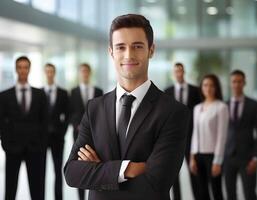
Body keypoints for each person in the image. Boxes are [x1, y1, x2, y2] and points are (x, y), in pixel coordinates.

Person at [64, 14, 190, 200]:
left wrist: (100, 172)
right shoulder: (94, 108)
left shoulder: (173, 112)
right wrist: (129, 169)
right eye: (120, 47)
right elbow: (72, 172)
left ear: (151, 50)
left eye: (137, 46)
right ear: (111, 52)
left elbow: (158, 183)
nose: (128, 55)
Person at [0, 56, 47, 200]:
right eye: (19, 67)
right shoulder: (4, 95)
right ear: (16, 69)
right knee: (10, 189)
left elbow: (44, 121)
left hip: (35, 148)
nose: (22, 70)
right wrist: (6, 143)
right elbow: (1, 122)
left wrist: (42, 144)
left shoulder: (40, 94)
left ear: (29, 69)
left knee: (37, 190)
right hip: (13, 147)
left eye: (25, 67)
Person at [224, 70, 257, 200]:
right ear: (230, 84)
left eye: (239, 81)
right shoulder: (224, 105)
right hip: (228, 157)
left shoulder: (254, 105)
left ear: (244, 83)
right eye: (234, 82)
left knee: (250, 194)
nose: (236, 84)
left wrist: (256, 157)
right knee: (230, 194)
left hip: (248, 157)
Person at [165, 62, 201, 200]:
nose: (178, 73)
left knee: (194, 172)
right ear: (173, 74)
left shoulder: (195, 90)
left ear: (184, 72)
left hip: (192, 137)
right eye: (176, 71)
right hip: (174, 139)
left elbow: (199, 115)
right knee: (174, 173)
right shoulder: (167, 91)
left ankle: (198, 196)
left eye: (180, 70)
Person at [190, 74, 229, 200]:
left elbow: (221, 137)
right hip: (198, 155)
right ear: (201, 88)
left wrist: (217, 161)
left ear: (216, 87)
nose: (208, 88)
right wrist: (192, 157)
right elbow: (195, 133)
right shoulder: (197, 108)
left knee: (216, 192)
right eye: (205, 85)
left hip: (213, 156)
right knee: (202, 192)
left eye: (212, 85)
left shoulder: (221, 107)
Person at [69, 63, 103, 200]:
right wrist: (76, 124)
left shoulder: (98, 91)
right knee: (79, 164)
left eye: (86, 71)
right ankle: (80, 197)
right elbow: (70, 112)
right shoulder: (73, 92)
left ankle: (93, 193)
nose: (84, 73)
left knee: (93, 162)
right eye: (82, 71)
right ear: (79, 73)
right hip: (78, 133)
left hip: (95, 134)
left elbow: (101, 113)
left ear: (89, 73)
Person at [43, 63, 69, 200]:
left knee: (58, 171)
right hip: (41, 139)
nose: (49, 74)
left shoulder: (63, 93)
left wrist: (63, 131)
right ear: (44, 73)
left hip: (58, 138)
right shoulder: (39, 92)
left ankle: (58, 198)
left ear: (54, 73)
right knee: (40, 171)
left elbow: (68, 114)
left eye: (51, 71)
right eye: (47, 71)